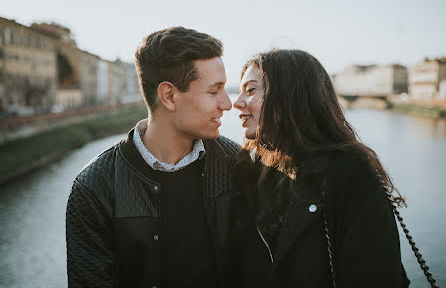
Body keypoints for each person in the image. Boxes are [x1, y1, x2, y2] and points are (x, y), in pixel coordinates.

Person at [65, 27, 240, 287]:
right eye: (214, 91)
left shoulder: (239, 165)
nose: (227, 104)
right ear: (169, 96)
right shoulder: (94, 187)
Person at [229, 49, 410, 287]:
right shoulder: (259, 168)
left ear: (288, 97)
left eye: (251, 90)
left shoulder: (350, 174)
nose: (236, 102)